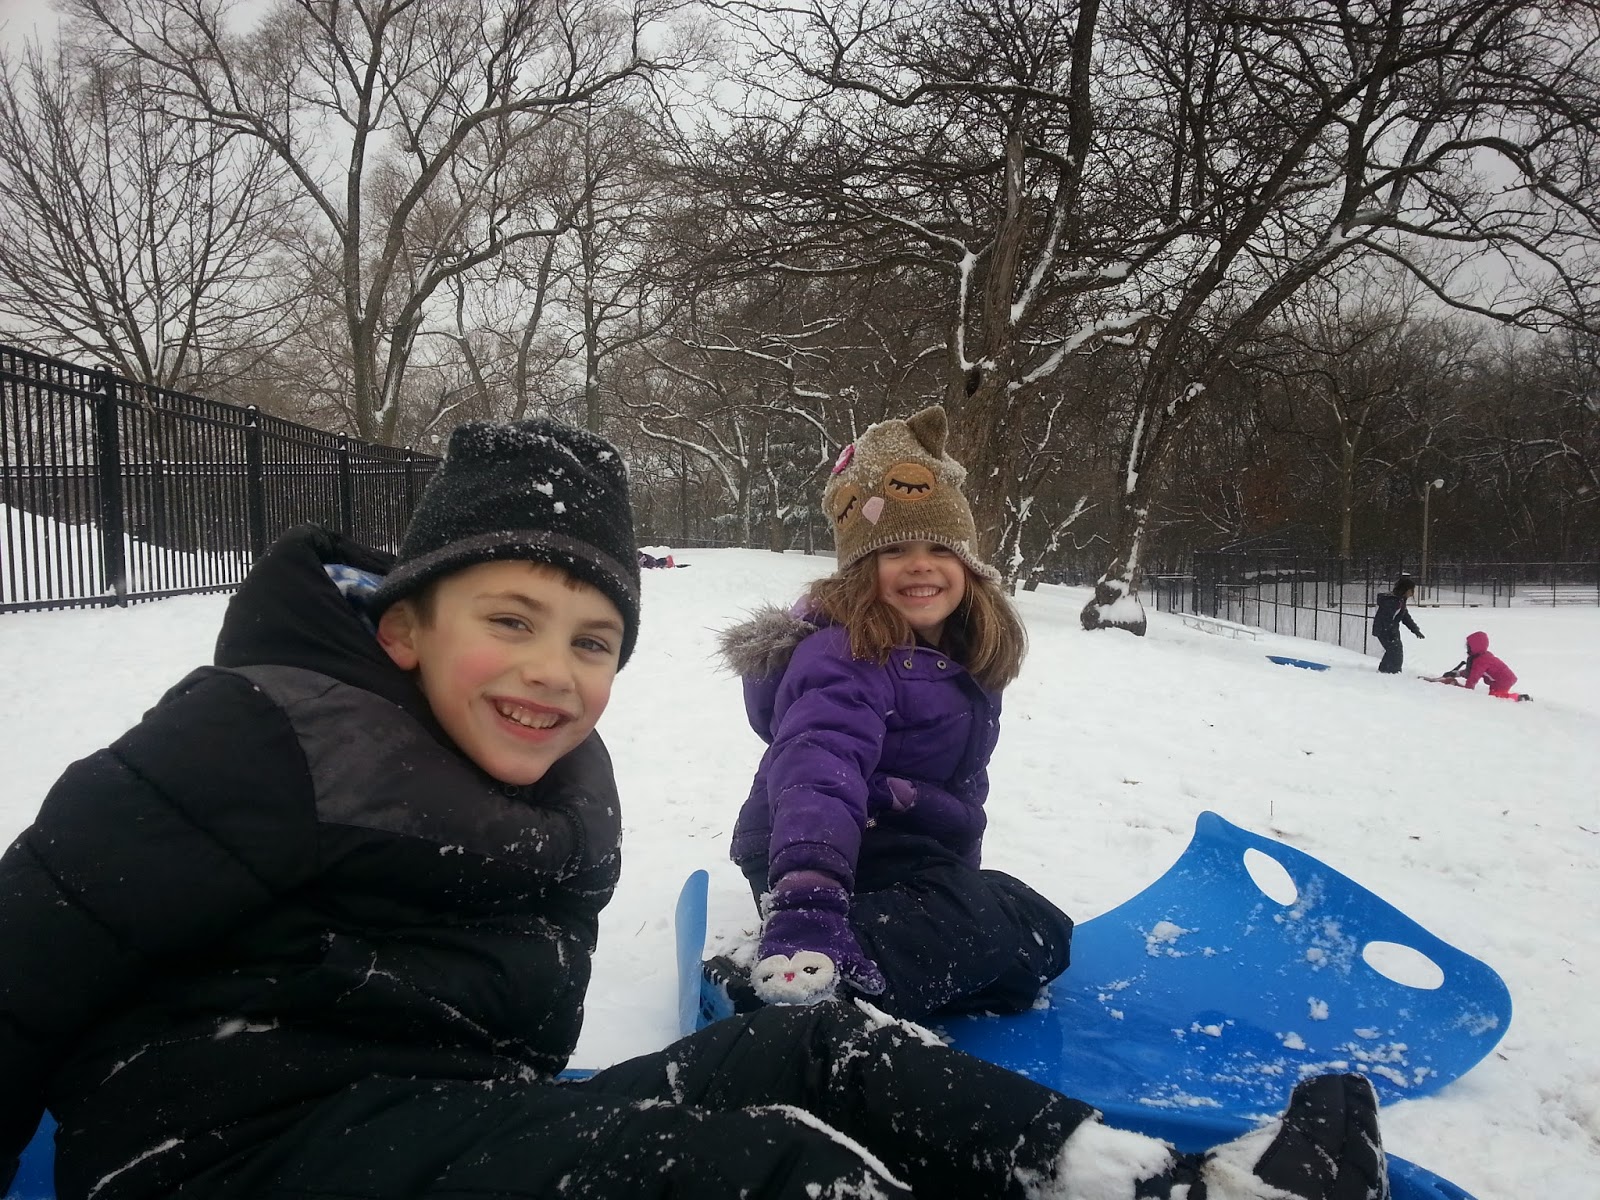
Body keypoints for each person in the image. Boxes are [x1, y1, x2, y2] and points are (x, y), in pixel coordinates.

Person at [0, 417, 1389, 1200]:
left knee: (815, 1050)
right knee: (750, 1172)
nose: (553, 671)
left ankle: (1152, 1186)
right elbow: (22, 962)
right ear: (406, 627)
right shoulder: (263, 732)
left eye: (593, 640)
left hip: (433, 1122)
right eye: (509, 619)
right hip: (235, 1156)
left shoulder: (558, 784)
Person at [717, 405, 1074, 1021]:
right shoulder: (845, 654)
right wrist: (808, 904)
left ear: (968, 564)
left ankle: (871, 972)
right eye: (894, 549)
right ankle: (797, 985)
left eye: (940, 546)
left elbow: (959, 785)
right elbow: (818, 770)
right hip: (821, 855)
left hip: (897, 853)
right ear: (861, 569)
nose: (921, 564)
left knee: (1034, 935)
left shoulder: (957, 655)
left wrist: (954, 883)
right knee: (1001, 923)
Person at [1452, 629, 1529, 700]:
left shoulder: (1481, 661)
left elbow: (1473, 677)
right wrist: (1458, 673)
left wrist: (1466, 691)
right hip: (1499, 679)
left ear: (1475, 647)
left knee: (1496, 697)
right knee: (1494, 694)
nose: (1467, 648)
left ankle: (1519, 698)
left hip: (1504, 679)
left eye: (1468, 646)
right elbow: (1472, 672)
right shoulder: (1480, 657)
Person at [1371, 576, 1424, 674]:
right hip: (1384, 630)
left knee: (1393, 650)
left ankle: (1385, 670)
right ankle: (1393, 672)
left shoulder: (1400, 600)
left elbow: (1405, 617)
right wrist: (1391, 632)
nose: (1412, 593)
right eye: (1411, 590)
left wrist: (1415, 630)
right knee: (1395, 651)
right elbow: (1386, 619)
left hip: (1391, 630)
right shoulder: (1393, 601)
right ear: (1405, 589)